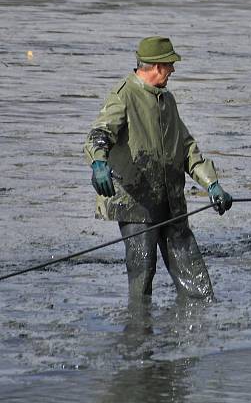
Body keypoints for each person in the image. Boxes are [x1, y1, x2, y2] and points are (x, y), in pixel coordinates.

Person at [84, 36, 233, 302]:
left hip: (171, 200)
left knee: (192, 269)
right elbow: (100, 133)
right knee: (143, 269)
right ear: (154, 66)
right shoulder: (123, 95)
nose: (173, 70)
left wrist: (212, 183)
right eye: (169, 65)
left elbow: (187, 148)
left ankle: (201, 322)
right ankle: (139, 330)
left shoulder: (167, 100)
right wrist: (98, 163)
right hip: (136, 202)